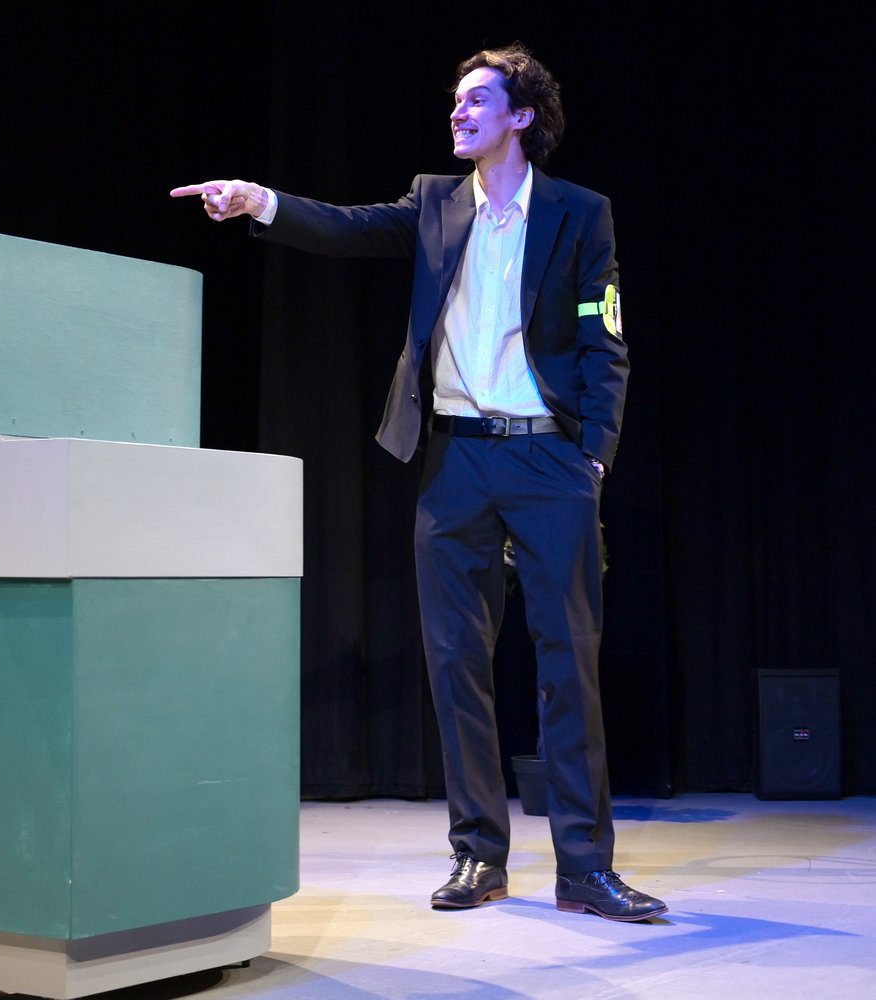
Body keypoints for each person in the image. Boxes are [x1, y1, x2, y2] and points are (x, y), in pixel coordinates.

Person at [172, 43, 664, 922]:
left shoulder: (579, 213)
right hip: (456, 460)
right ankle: (478, 854)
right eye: (456, 100)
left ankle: (586, 868)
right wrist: (260, 200)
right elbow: (350, 227)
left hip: (549, 457)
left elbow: (605, 337)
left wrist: (594, 455)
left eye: (478, 100)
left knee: (567, 665)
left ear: (521, 116)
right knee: (455, 661)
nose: (458, 111)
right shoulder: (437, 201)